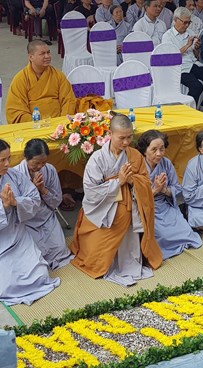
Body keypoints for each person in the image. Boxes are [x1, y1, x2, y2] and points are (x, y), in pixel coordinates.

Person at [0, 138, 59, 305]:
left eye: (8, 158)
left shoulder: (15, 176)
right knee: (6, 285)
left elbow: (34, 198)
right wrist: (2, 207)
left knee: (41, 276)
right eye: (2, 160)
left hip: (19, 235)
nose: (7, 164)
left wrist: (16, 202)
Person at [70, 114, 162, 286]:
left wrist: (131, 180)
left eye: (129, 137)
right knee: (96, 256)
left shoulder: (135, 155)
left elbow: (145, 181)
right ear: (110, 134)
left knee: (129, 240)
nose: (126, 142)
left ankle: (129, 262)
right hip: (104, 212)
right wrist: (118, 182)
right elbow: (91, 191)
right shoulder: (97, 159)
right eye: (122, 138)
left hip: (130, 211)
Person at [137, 130, 202, 259]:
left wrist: (164, 190)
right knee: (162, 235)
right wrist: (155, 190)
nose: (159, 153)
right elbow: (134, 197)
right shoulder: (137, 167)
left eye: (162, 149)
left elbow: (177, 188)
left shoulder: (166, 163)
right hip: (147, 208)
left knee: (186, 231)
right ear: (144, 150)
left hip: (165, 205)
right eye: (154, 150)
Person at [12, 139, 73, 270]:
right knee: (35, 257)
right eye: (36, 163)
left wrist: (43, 190)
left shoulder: (50, 170)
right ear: (26, 157)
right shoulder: (15, 175)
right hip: (26, 221)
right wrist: (33, 190)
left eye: (43, 162)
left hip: (46, 216)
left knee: (60, 252)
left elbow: (56, 201)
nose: (40, 166)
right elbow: (15, 206)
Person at [5, 40, 76, 124]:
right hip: (33, 125)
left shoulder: (58, 76)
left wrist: (62, 122)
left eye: (48, 52)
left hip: (58, 123)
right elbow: (15, 110)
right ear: (31, 57)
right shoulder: (20, 79)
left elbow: (68, 100)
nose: (47, 56)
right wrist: (38, 123)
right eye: (42, 54)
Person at [162, 7, 203, 110]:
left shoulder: (190, 32)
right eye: (184, 22)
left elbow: (195, 55)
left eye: (189, 23)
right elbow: (171, 57)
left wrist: (197, 47)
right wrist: (187, 45)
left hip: (193, 63)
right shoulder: (167, 36)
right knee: (196, 86)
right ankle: (187, 111)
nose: (186, 25)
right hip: (179, 68)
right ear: (175, 20)